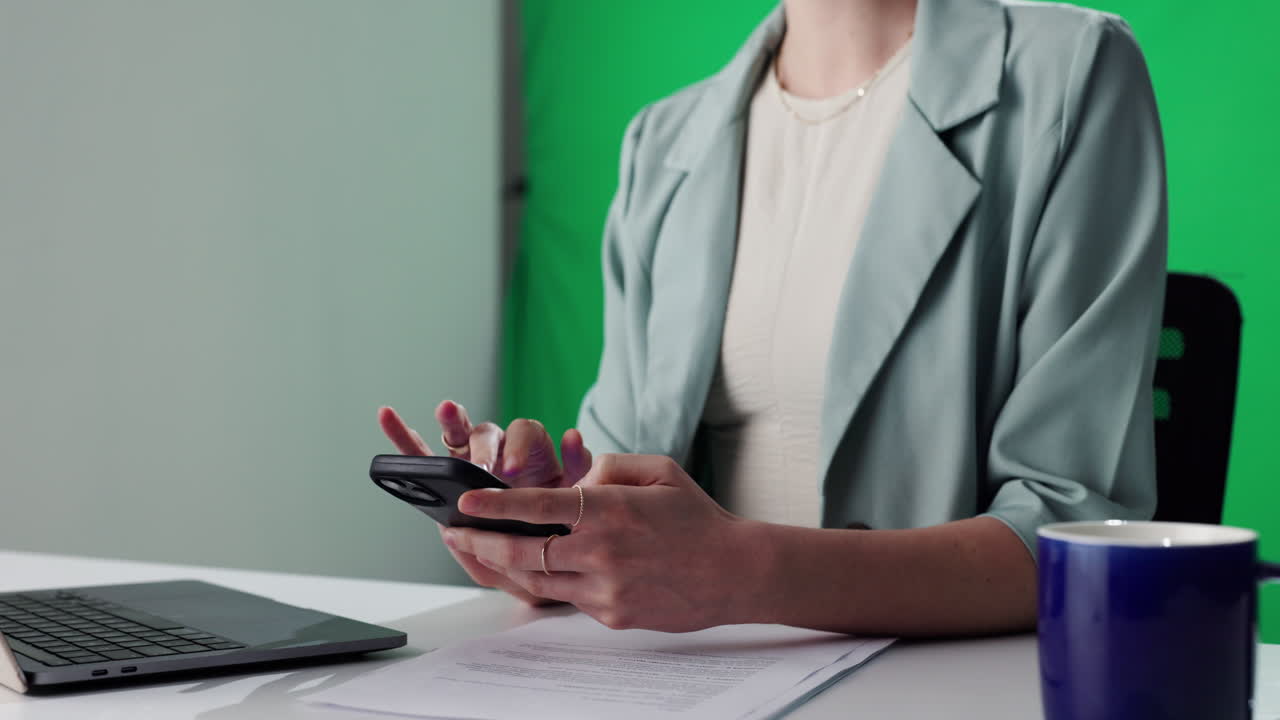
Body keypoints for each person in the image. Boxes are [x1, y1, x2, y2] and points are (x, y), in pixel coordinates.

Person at [380, 0, 1166, 636]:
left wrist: (741, 572)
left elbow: (1076, 535)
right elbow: (621, 488)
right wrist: (543, 525)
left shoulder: (1070, 74)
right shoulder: (662, 146)